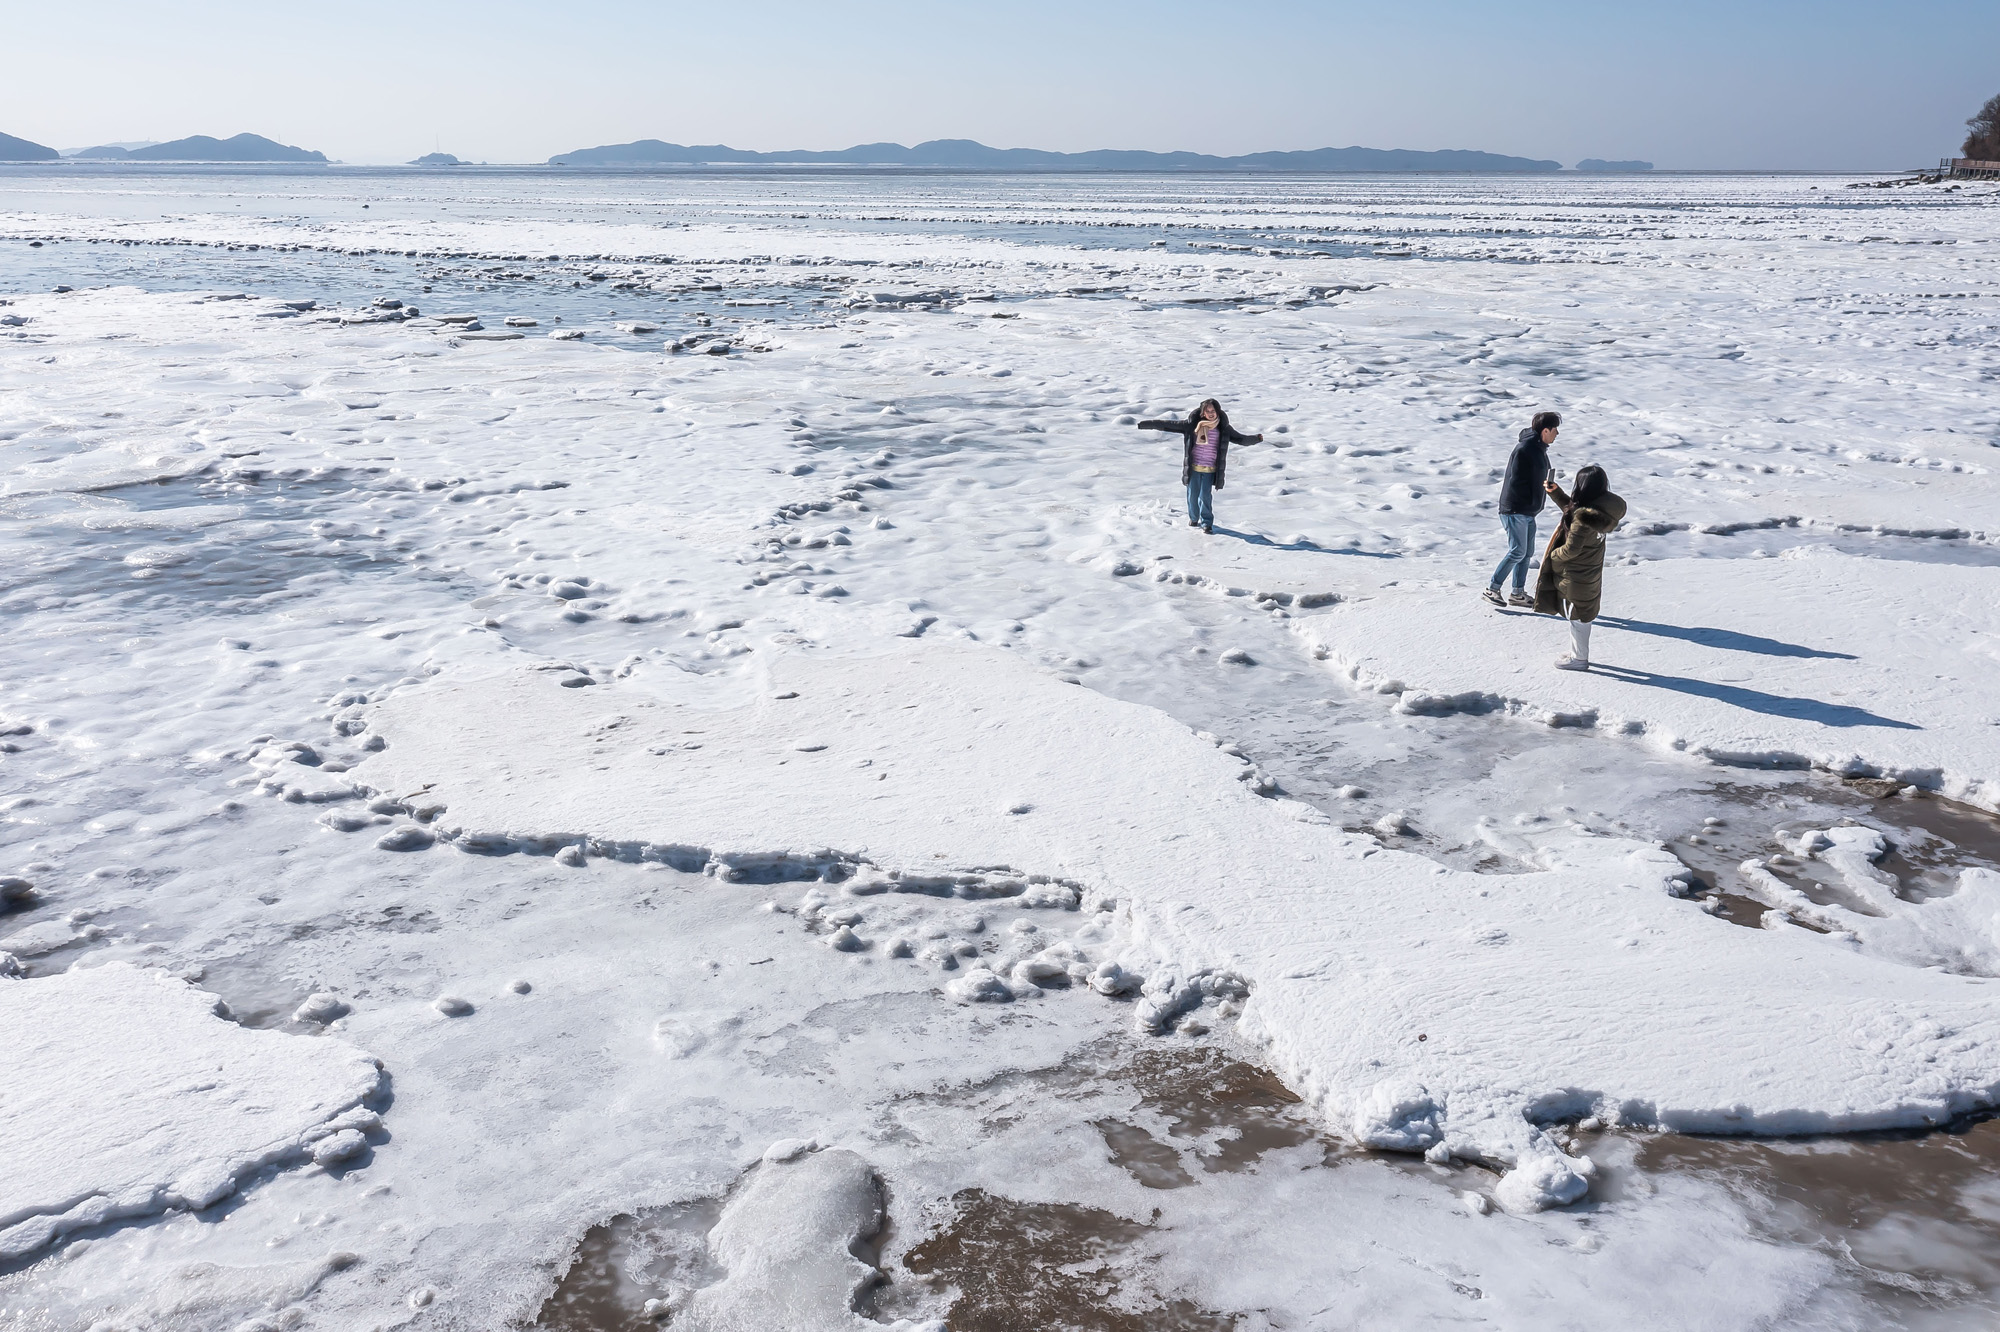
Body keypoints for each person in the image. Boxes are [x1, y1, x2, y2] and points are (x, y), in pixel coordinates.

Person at [1535, 464, 1627, 670]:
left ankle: (1579, 659)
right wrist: (1556, 493)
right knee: (1582, 615)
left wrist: (1553, 556)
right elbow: (1578, 512)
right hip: (1590, 572)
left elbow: (1571, 549)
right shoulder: (1603, 511)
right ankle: (1578, 654)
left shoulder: (1583, 519)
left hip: (1575, 575)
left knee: (1578, 618)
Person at [1136, 399, 1263, 534]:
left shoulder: (1223, 428)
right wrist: (1145, 424)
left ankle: (1207, 523)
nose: (1211, 413)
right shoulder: (1192, 426)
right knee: (1192, 495)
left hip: (1210, 469)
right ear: (1203, 413)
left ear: (1217, 411)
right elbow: (1168, 425)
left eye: (1213, 411)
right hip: (1194, 468)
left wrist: (1256, 438)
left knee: (1205, 496)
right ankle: (1194, 518)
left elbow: (1241, 439)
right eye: (1207, 411)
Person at [1484, 411, 1559, 606]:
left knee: (1526, 553)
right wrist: (1530, 499)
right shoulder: (1525, 449)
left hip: (1528, 510)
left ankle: (1517, 593)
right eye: (1555, 429)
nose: (1557, 433)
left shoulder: (1539, 448)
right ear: (1545, 430)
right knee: (1517, 551)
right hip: (1515, 509)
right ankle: (1492, 589)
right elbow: (1515, 481)